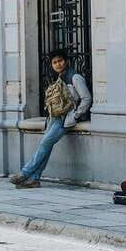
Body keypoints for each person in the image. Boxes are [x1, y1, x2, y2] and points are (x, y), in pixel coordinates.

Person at [9, 49, 92, 188]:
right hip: (55, 118)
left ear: (66, 61)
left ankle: (25, 173)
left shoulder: (75, 77)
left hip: (66, 119)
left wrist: (76, 115)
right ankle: (35, 179)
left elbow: (86, 98)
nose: (58, 64)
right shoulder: (60, 78)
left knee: (44, 144)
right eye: (54, 62)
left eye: (60, 61)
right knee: (46, 146)